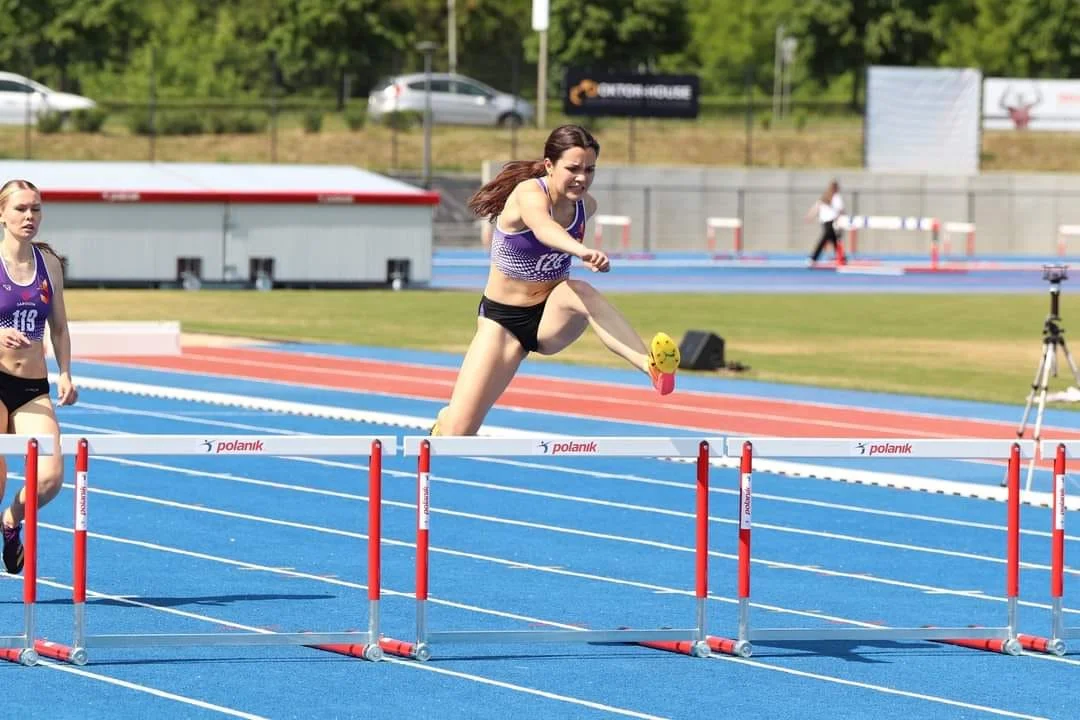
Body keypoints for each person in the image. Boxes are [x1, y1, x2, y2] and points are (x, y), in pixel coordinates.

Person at [430, 124, 680, 436]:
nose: (582, 178)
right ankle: (448, 418)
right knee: (457, 435)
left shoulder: (586, 206)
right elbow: (543, 228)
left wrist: (579, 253)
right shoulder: (528, 194)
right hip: (503, 322)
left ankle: (649, 366)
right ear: (549, 165)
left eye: (590, 170)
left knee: (580, 291)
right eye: (573, 169)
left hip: (551, 314)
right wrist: (582, 251)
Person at [0, 179, 77, 574]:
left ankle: (11, 521)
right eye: (20, 209)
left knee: (50, 476)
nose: (29, 217)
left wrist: (65, 373)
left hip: (32, 385)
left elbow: (59, 328)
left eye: (36, 209)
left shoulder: (49, 265)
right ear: (2, 214)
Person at [806, 179, 845, 265]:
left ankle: (841, 258)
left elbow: (816, 207)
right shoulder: (834, 197)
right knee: (825, 239)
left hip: (828, 222)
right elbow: (840, 210)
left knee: (834, 240)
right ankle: (814, 258)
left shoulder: (828, 196)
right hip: (830, 222)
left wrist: (810, 216)